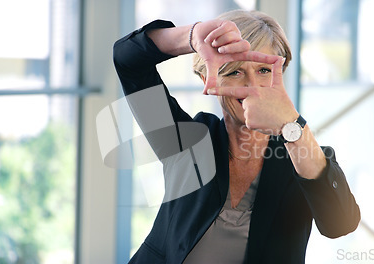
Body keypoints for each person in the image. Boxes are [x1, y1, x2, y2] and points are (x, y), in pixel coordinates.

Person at [113, 9, 360, 264]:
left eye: (264, 70)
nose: (252, 86)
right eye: (234, 72)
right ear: (206, 78)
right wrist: (192, 35)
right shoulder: (187, 142)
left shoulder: (303, 155)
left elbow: (340, 224)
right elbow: (127, 59)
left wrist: (293, 127)